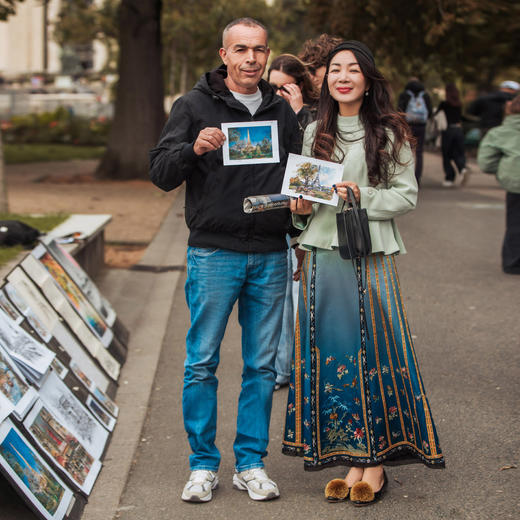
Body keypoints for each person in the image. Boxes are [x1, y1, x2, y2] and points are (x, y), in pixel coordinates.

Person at [282, 40, 445, 506]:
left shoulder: (390, 130)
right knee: (332, 356)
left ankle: (374, 464)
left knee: (373, 351)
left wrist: (360, 196)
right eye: (335, 69)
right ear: (325, 80)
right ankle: (352, 455)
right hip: (323, 259)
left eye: (353, 69)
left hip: (368, 257)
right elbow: (305, 209)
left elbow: (405, 196)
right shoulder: (314, 131)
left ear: (369, 79)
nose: (343, 76)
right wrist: (298, 210)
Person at [149, 17, 300, 503]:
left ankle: (250, 464)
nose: (251, 58)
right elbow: (160, 172)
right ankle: (203, 465)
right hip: (214, 253)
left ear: (267, 54)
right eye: (241, 49)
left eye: (258, 50)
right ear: (224, 55)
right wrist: (193, 148)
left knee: (261, 367)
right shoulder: (193, 106)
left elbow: (300, 179)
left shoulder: (282, 111)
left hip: (272, 254)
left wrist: (300, 213)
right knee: (201, 363)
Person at [267, 54, 318, 390]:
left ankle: (303, 370)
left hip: (302, 221)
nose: (276, 94)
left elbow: (312, 171)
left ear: (300, 87)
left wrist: (298, 114)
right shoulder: (264, 113)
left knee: (301, 302)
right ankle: (281, 369)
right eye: (271, 87)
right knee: (278, 302)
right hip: (273, 220)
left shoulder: (314, 118)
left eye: (284, 88)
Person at [477, 94, 520, 274]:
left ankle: (512, 262)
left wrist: (502, 171)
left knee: (515, 223)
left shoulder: (499, 132)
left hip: (515, 182)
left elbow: (486, 162)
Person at [397, 78, 433, 185]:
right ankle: (418, 178)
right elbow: (430, 112)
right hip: (421, 126)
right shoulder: (425, 96)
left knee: (406, 151)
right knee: (419, 152)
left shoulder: (404, 95)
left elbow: (399, 110)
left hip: (407, 126)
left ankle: (408, 178)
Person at [435, 83, 468, 187]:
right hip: (458, 130)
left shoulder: (444, 104)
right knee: (458, 152)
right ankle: (462, 168)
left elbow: (436, 116)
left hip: (448, 131)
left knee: (446, 155)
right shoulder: (459, 104)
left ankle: (449, 177)